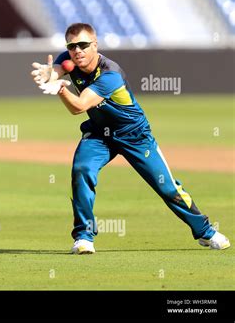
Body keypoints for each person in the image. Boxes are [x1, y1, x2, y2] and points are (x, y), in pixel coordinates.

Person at [31, 23, 230, 254]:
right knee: (82, 170)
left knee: (166, 187)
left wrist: (61, 89)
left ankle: (206, 232)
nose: (78, 51)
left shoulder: (110, 74)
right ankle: (84, 237)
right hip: (99, 133)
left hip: (134, 134)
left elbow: (79, 106)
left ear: (95, 45)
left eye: (84, 45)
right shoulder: (70, 58)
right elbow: (57, 69)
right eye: (72, 45)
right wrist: (50, 74)